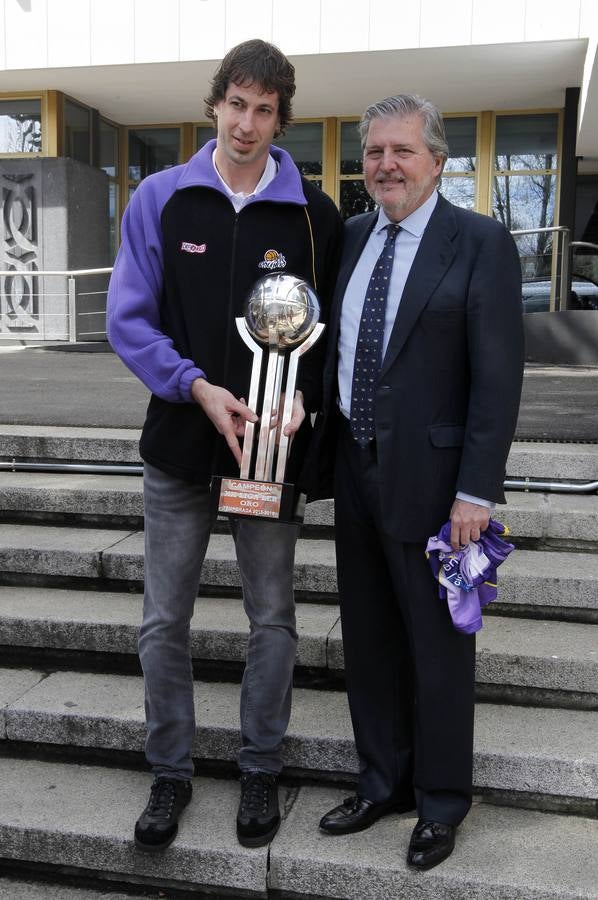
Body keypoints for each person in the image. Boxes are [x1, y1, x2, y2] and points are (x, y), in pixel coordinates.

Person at [107, 39, 341, 852]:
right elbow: (127, 320)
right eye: (236, 104)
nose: (247, 123)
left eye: (265, 109)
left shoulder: (316, 216)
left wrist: (303, 405)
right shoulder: (162, 199)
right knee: (161, 623)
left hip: (267, 459)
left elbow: (334, 339)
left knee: (272, 618)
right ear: (216, 105)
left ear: (282, 117)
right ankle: (170, 772)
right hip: (179, 445)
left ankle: (260, 768)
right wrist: (195, 387)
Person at [314, 94, 524, 869]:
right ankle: (382, 783)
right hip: (355, 468)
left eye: (402, 151)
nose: (386, 165)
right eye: (374, 151)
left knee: (436, 653)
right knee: (368, 643)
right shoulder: (354, 237)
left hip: (438, 487)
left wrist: (476, 491)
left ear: (437, 161)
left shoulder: (480, 242)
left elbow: (497, 379)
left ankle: (439, 803)